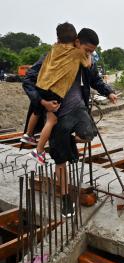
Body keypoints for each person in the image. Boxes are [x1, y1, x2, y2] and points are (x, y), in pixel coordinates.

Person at [23, 27, 117, 217]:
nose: (90, 54)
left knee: (89, 134)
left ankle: (66, 144)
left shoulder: (85, 60)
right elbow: (28, 80)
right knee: (60, 160)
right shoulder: (52, 57)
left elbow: (96, 79)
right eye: (88, 50)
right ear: (77, 42)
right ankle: (66, 198)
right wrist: (43, 102)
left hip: (78, 109)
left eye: (92, 51)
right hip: (56, 115)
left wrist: (109, 91)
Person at [21, 22, 93, 165]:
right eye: (89, 49)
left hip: (42, 86)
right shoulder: (77, 53)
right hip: (55, 92)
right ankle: (39, 151)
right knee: (51, 121)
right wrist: (88, 54)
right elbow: (88, 64)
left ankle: (28, 135)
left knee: (37, 109)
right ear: (76, 41)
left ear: (58, 39)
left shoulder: (53, 49)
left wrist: (41, 101)